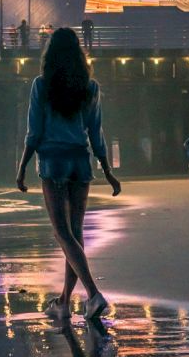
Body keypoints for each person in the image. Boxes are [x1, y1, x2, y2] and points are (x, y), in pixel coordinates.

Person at [16, 27, 121, 322]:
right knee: (74, 234)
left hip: (53, 163)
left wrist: (22, 166)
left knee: (62, 233)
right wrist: (108, 171)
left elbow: (34, 132)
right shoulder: (89, 87)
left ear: (50, 53)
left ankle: (92, 294)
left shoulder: (41, 85)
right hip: (80, 162)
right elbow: (96, 132)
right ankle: (63, 302)